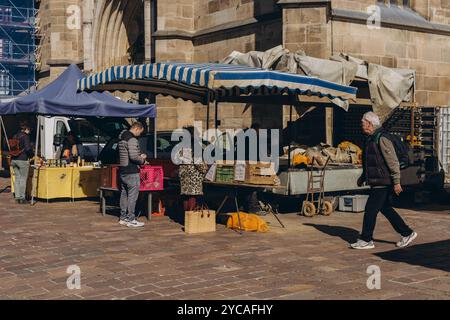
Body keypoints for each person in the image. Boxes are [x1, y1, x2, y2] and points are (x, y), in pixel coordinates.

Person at [351, 112, 417, 249]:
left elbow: (392, 162)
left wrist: (397, 182)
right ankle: (407, 233)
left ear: (370, 123)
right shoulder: (370, 138)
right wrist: (363, 177)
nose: (361, 125)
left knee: (370, 210)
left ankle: (366, 239)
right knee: (385, 208)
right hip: (377, 180)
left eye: (363, 123)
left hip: (383, 181)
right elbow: (370, 162)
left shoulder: (381, 138)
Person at [118, 121, 147, 227]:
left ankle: (123, 217)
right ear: (136, 129)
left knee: (124, 193)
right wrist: (142, 159)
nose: (140, 135)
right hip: (131, 170)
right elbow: (134, 157)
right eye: (140, 132)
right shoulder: (132, 139)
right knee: (132, 196)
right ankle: (131, 219)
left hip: (122, 170)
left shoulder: (122, 137)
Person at [11, 121, 33, 204]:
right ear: (26, 129)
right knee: (23, 179)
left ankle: (17, 197)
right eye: (29, 129)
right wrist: (32, 155)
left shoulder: (15, 135)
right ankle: (22, 198)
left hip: (14, 159)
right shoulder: (26, 136)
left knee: (17, 179)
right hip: (22, 159)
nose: (30, 131)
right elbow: (27, 148)